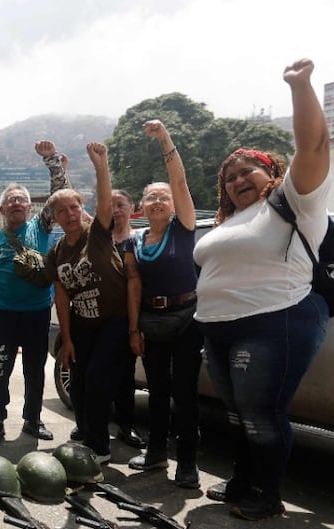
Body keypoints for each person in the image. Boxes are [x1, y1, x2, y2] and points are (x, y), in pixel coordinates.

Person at [194, 59, 331, 520]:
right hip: (219, 329)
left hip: (276, 319)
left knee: (261, 414)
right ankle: (240, 481)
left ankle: (266, 495)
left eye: (248, 171)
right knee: (236, 415)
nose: (237, 181)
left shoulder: (292, 202)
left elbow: (313, 146)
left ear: (271, 173)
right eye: (229, 177)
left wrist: (300, 86)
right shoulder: (229, 220)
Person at [125, 120, 202, 489]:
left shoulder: (183, 228)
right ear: (141, 206)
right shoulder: (135, 241)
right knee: (157, 391)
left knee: (184, 394)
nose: (158, 200)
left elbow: (180, 181)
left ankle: (187, 462)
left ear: (173, 204)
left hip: (187, 319)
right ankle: (156, 453)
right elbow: (134, 286)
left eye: (164, 196)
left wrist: (165, 139)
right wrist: (134, 328)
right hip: (151, 323)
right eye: (151, 197)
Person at [0, 140, 69, 444]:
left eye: (22, 200)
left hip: (37, 312)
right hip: (4, 314)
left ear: (29, 207)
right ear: (3, 208)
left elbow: (58, 194)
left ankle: (32, 420)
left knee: (35, 370)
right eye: (11, 200)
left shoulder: (40, 227)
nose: (17, 203)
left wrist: (52, 160)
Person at [47, 141, 129, 463]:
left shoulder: (97, 233)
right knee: (78, 383)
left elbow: (106, 202)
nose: (69, 214)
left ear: (82, 211)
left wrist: (101, 165)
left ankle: (100, 448)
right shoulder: (57, 252)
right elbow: (62, 296)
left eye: (74, 208)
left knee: (96, 378)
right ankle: (85, 433)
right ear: (54, 218)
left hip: (113, 320)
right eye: (62, 210)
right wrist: (66, 340)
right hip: (82, 324)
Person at [104, 188, 145, 449]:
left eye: (121, 204)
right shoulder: (99, 240)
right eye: (111, 206)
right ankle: (88, 422)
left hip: (130, 318)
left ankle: (126, 426)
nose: (116, 210)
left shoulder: (141, 239)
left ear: (132, 208)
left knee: (125, 377)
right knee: (93, 374)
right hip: (99, 318)